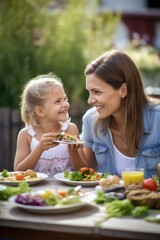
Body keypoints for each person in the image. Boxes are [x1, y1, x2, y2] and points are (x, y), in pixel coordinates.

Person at [77, 49, 160, 178]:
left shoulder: (157, 119)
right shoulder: (91, 120)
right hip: (108, 198)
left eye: (97, 92)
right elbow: (85, 173)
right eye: (89, 92)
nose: (90, 100)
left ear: (123, 90)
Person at [14, 73, 85, 176]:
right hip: (36, 190)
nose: (65, 104)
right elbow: (18, 172)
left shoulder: (71, 129)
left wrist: (73, 151)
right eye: (58, 101)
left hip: (66, 190)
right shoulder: (26, 135)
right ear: (40, 111)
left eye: (65, 99)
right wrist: (39, 148)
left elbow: (83, 172)